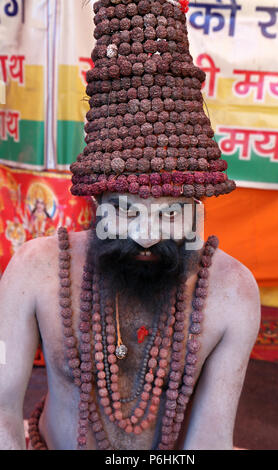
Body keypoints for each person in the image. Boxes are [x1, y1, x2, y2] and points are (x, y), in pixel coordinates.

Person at [0, 0, 260, 450]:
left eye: (171, 212)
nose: (146, 235)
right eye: (127, 211)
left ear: (197, 204)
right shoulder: (35, 270)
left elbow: (210, 441)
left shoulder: (232, 291)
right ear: (97, 199)